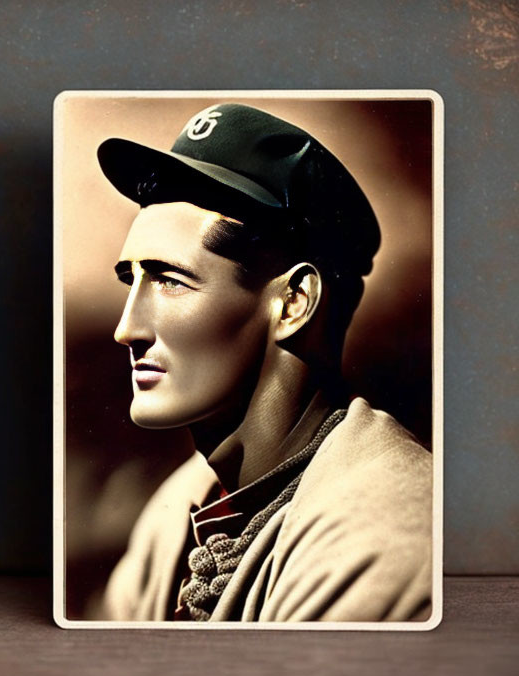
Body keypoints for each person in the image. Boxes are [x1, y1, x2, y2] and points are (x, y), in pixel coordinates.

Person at [97, 104, 433, 622]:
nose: (127, 329)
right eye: (131, 279)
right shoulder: (184, 503)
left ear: (294, 302)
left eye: (168, 279)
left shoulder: (384, 534)